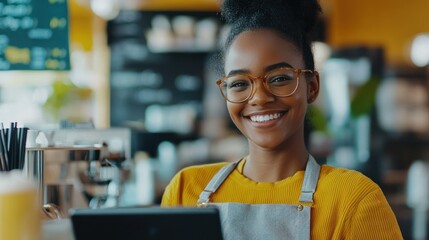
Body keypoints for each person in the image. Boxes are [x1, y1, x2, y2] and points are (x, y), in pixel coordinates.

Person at [161, 0, 403, 239]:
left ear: (312, 86)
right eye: (239, 83)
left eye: (279, 79)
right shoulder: (186, 190)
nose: (259, 98)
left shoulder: (353, 199)